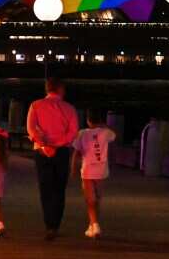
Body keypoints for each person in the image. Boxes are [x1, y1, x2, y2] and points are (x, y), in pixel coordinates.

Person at [26, 78, 78, 240]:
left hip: (42, 151)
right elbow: (73, 133)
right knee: (59, 188)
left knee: (45, 188)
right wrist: (58, 144)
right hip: (61, 152)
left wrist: (44, 144)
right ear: (60, 89)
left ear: (47, 89)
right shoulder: (70, 108)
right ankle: (55, 224)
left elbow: (31, 129)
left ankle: (49, 224)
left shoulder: (35, 105)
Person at [72, 109, 116, 239]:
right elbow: (114, 135)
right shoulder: (105, 132)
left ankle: (95, 225)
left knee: (90, 199)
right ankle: (92, 224)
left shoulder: (82, 133)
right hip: (101, 170)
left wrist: (73, 168)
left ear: (88, 120)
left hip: (87, 169)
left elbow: (76, 152)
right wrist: (104, 125)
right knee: (97, 199)